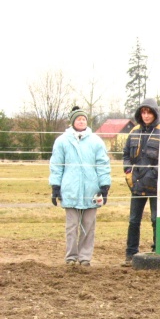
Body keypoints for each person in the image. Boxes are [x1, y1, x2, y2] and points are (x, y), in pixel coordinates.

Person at [49, 106, 112, 267]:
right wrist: (55, 186)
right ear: (73, 122)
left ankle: (85, 257)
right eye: (78, 119)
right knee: (72, 226)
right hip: (70, 190)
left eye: (84, 119)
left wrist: (104, 185)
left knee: (89, 226)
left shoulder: (96, 141)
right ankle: (71, 257)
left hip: (91, 190)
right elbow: (57, 165)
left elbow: (103, 164)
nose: (82, 121)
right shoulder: (62, 141)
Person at [121, 98, 160, 267]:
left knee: (156, 218)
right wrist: (128, 171)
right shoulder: (134, 131)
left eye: (149, 112)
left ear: (155, 113)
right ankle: (130, 254)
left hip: (156, 184)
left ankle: (157, 250)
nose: (146, 115)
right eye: (143, 112)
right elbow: (126, 155)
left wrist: (154, 174)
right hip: (136, 184)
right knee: (133, 220)